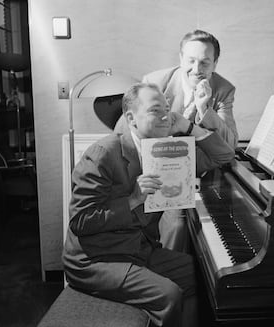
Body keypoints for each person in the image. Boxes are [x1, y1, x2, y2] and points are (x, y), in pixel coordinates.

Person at [63, 82, 235, 327]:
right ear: (131, 118)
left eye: (168, 108)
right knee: (169, 294)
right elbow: (80, 221)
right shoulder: (103, 153)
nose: (166, 115)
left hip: (140, 250)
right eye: (156, 110)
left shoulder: (171, 149)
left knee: (203, 276)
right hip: (97, 259)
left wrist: (187, 126)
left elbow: (224, 156)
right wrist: (133, 199)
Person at [116, 29, 238, 252]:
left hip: (193, 175)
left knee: (178, 225)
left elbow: (229, 146)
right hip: (149, 168)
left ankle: (174, 271)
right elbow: (123, 132)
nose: (197, 70)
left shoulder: (223, 90)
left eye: (205, 63)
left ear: (215, 63)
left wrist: (204, 108)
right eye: (191, 61)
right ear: (181, 58)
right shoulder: (154, 82)